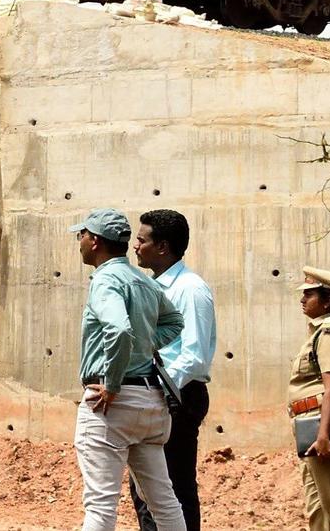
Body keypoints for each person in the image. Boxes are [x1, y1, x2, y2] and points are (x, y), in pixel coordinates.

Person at [69, 208, 186, 531]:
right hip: (150, 400)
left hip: (113, 402)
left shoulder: (105, 279)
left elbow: (118, 330)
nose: (79, 241)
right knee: (163, 501)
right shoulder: (141, 280)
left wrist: (113, 382)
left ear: (94, 241)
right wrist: (144, 345)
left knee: (100, 504)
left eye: (82, 235)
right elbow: (174, 322)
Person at [128, 209, 216, 531]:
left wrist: (158, 388)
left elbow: (194, 357)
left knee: (174, 488)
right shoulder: (153, 287)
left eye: (142, 240)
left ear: (162, 247)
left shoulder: (190, 289)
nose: (135, 246)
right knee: (145, 490)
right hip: (157, 394)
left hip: (177, 395)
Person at [288, 267, 330, 531]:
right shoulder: (317, 333)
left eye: (309, 294)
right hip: (308, 427)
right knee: (316, 507)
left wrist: (324, 435)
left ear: (328, 300)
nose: (302, 299)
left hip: (321, 429)